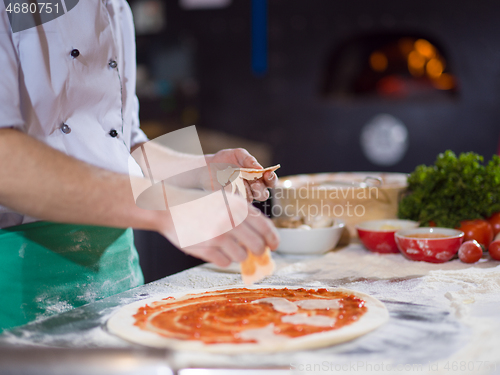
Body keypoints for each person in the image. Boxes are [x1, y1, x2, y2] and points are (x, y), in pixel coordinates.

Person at [0, 0, 279, 332]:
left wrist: (203, 169)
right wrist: (166, 206)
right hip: (23, 282)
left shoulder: (115, 7)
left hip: (119, 274)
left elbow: (123, 145)